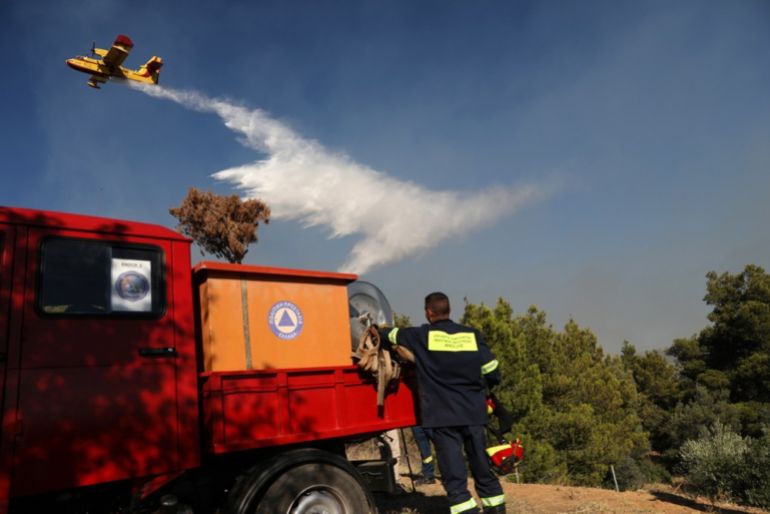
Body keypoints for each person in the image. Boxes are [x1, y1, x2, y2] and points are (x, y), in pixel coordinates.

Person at [381, 292, 505, 514]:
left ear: (429, 312)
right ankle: (496, 508)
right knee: (482, 469)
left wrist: (377, 329)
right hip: (474, 413)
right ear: (449, 310)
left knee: (454, 476)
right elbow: (493, 372)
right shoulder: (472, 335)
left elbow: (391, 335)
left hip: (443, 417)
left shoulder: (421, 335)